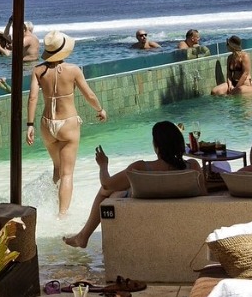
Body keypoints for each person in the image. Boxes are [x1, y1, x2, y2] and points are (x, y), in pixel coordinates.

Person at [65, 121, 199, 248]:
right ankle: (83, 236)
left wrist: (103, 165)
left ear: (156, 146)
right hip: (180, 212)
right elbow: (202, 192)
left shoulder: (141, 167)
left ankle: (84, 235)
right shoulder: (193, 166)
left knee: (105, 191)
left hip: (142, 209)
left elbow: (107, 184)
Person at [26, 30, 107, 216]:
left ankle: (55, 205)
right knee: (67, 173)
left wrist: (29, 125)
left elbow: (32, 98)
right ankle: (62, 216)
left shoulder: (38, 71)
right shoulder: (73, 70)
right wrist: (100, 109)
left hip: (47, 124)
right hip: (67, 124)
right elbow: (89, 95)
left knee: (57, 167)